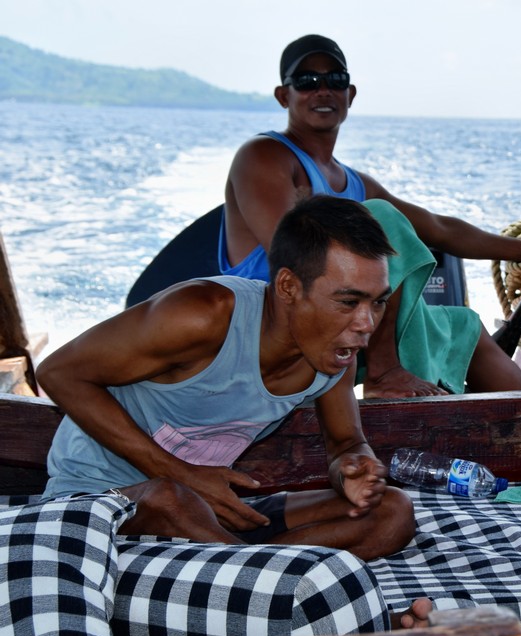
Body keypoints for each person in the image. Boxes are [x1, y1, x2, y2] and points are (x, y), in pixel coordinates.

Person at [38, 197, 426, 607]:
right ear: (289, 287)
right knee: (171, 498)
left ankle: (245, 568)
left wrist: (354, 468)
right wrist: (181, 473)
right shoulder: (202, 314)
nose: (366, 324)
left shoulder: (336, 351)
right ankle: (268, 579)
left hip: (204, 514)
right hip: (93, 503)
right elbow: (58, 372)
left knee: (392, 512)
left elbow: (346, 444)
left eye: (378, 302)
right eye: (349, 302)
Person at [220, 34, 521, 398]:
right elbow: (289, 251)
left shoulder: (356, 183)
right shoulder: (263, 156)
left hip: (342, 316)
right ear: (283, 96)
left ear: (350, 94)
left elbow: (438, 228)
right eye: (307, 82)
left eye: (335, 81)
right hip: (272, 322)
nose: (322, 90)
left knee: (463, 328)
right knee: (381, 218)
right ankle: (384, 373)